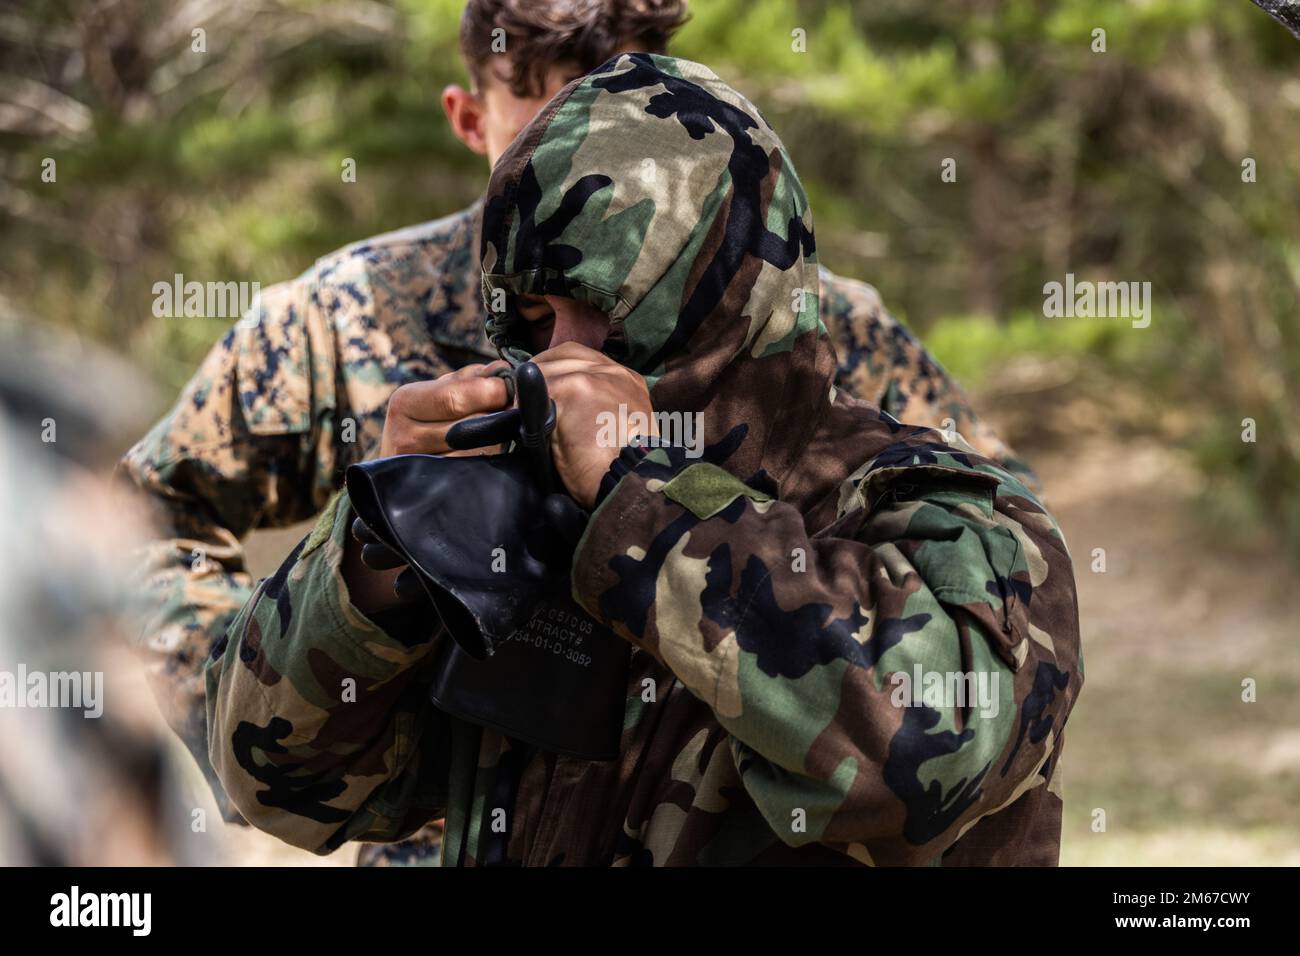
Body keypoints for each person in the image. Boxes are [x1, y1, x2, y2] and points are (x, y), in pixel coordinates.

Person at [119, 0, 1036, 865]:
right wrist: (374, 550)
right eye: (529, 315)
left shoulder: (923, 495)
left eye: (615, 308)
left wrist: (648, 501)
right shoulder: (368, 327)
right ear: (471, 117)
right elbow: (284, 775)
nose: (562, 359)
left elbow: (929, 748)